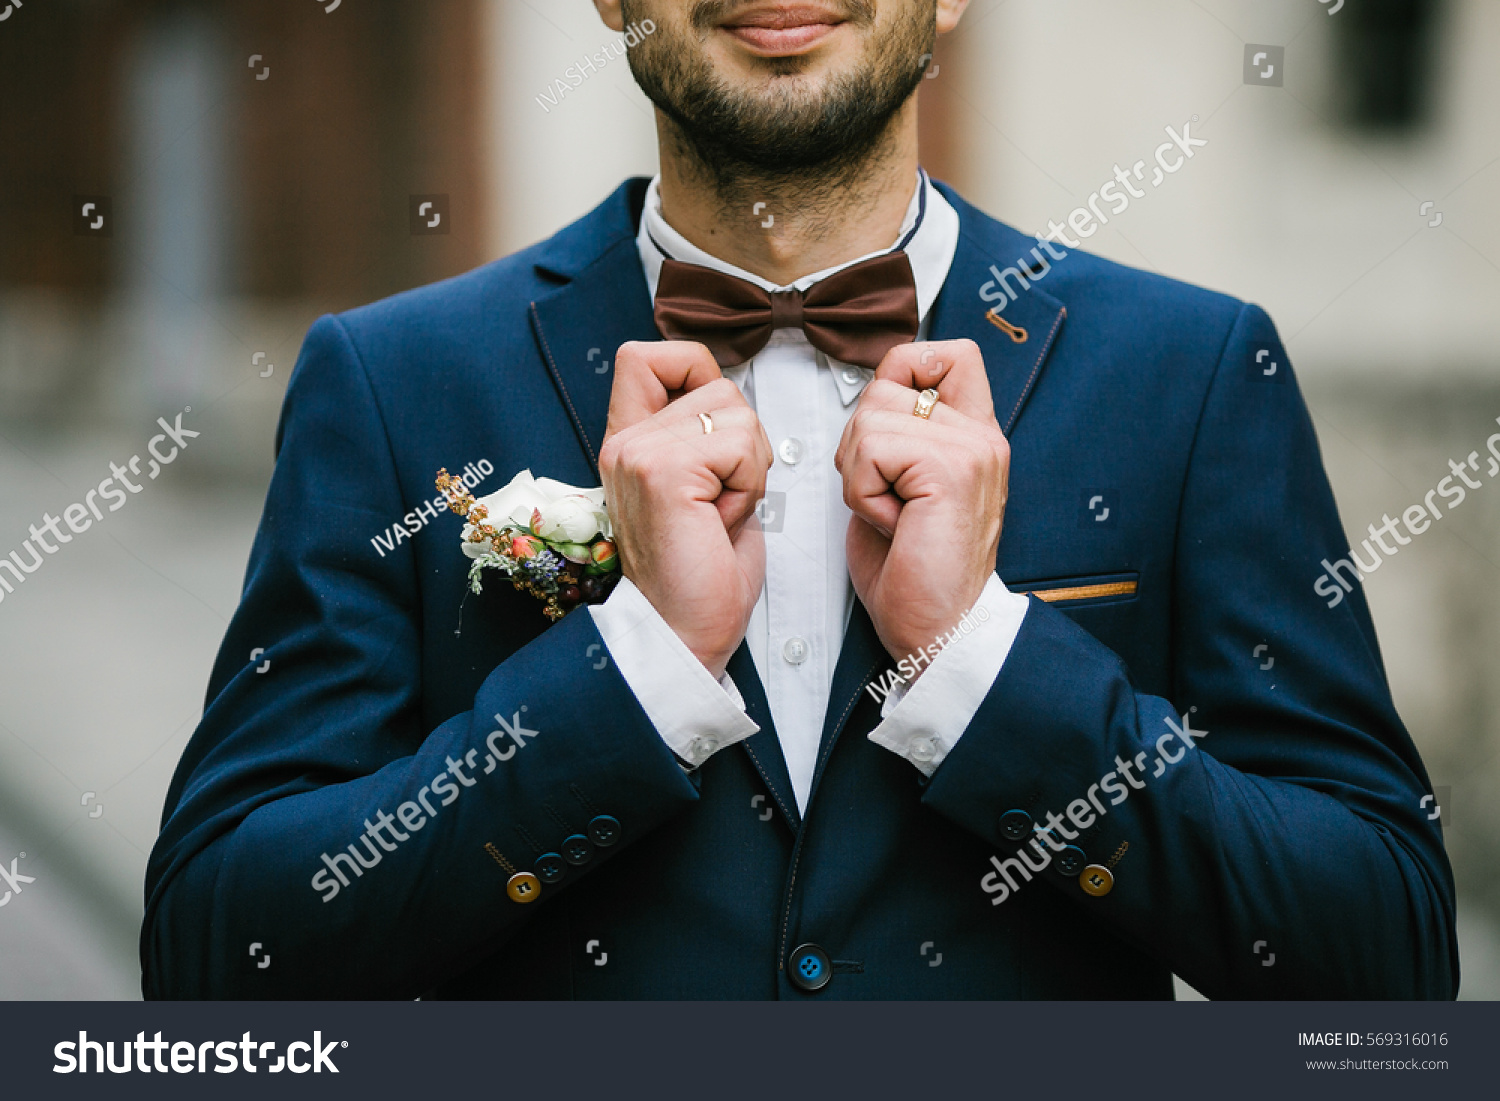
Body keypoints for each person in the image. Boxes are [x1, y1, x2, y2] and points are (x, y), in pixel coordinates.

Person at [142, 0, 1456, 999]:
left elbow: (1386, 953)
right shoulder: (392, 383)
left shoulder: (1194, 374)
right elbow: (215, 948)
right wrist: (636, 671)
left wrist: (983, 667)